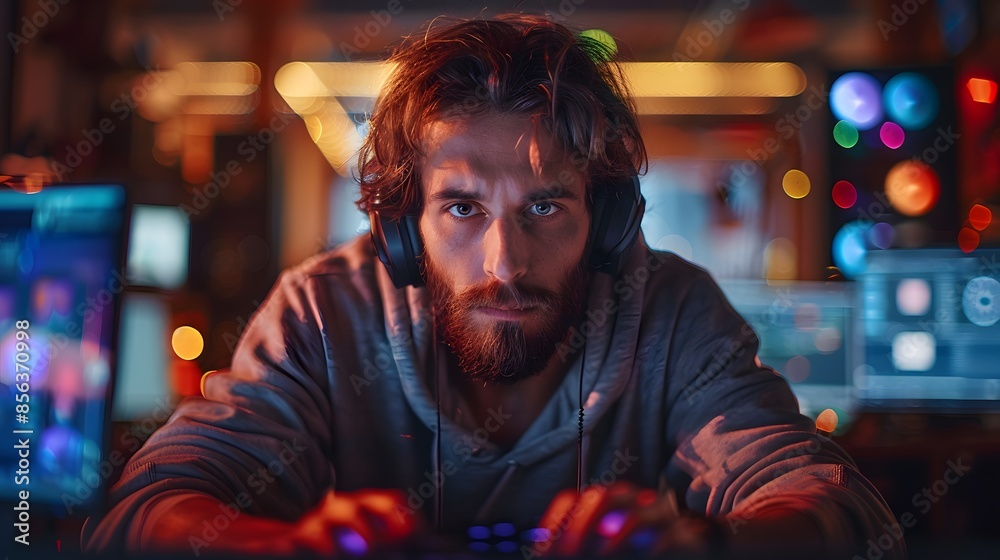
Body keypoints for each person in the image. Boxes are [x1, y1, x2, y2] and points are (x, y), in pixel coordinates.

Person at [83, 13, 905, 559]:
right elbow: (139, 513)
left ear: (607, 218)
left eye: (545, 204)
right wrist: (287, 548)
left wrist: (700, 547)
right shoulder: (324, 312)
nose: (504, 262)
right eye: (463, 208)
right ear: (404, 224)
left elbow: (846, 515)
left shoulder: (673, 311)